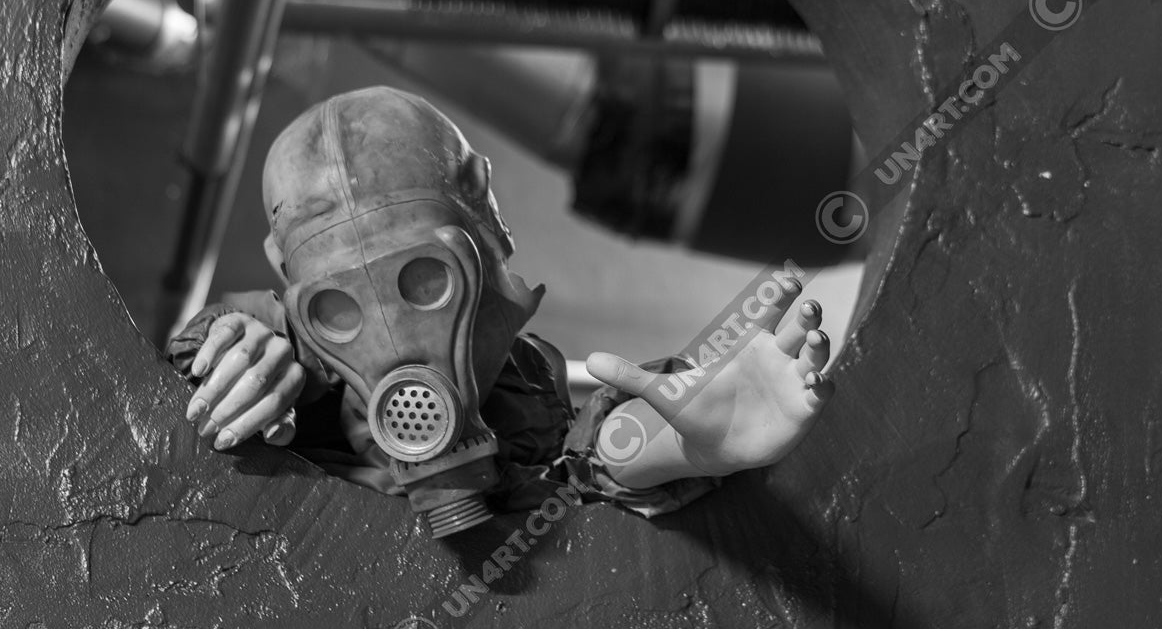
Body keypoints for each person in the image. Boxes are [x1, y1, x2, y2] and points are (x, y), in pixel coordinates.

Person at [165, 86, 836, 534]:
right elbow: (223, 346)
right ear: (287, 281)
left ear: (484, 214)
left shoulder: (522, 390)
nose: (398, 341)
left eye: (424, 278)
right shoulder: (283, 382)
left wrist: (670, 448)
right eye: (337, 306)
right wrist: (228, 350)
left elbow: (571, 475)